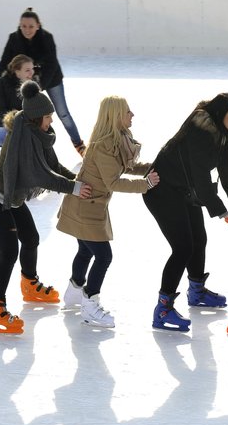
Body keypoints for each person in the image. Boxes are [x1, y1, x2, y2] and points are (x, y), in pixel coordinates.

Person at [0, 80, 92, 334]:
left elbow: (52, 165)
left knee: (30, 238)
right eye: (49, 117)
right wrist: (73, 188)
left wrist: (75, 180)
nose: (51, 122)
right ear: (37, 117)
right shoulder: (24, 139)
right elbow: (41, 175)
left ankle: (29, 284)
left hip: (10, 197)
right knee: (8, 253)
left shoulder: (35, 132)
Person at [143, 93, 228, 332]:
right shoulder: (200, 131)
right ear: (221, 113)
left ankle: (197, 292)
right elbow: (200, 175)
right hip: (162, 190)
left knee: (199, 240)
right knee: (183, 248)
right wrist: (222, 212)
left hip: (185, 191)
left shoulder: (223, 132)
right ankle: (163, 309)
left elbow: (226, 168)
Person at [56, 96, 160, 328]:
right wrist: (147, 185)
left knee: (85, 251)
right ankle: (90, 305)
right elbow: (114, 182)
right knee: (103, 256)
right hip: (85, 208)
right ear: (115, 116)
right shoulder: (104, 146)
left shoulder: (117, 140)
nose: (132, 115)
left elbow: (127, 167)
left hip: (89, 205)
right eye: (128, 111)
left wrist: (152, 168)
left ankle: (74, 293)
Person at [0, 8, 86, 157]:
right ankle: (26, 148)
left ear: (38, 25)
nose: (27, 30)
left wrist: (38, 86)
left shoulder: (46, 38)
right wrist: (0, 86)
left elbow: (51, 64)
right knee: (23, 113)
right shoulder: (14, 39)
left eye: (31, 26)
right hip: (26, 80)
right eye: (23, 26)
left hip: (50, 79)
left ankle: (79, 144)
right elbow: (4, 63)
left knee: (63, 113)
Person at [0, 54, 35, 172]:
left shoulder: (33, 86)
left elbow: (39, 111)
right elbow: (0, 110)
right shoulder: (4, 83)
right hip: (10, 126)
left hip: (29, 129)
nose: (31, 73)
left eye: (32, 69)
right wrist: (14, 119)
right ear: (17, 72)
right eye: (27, 70)